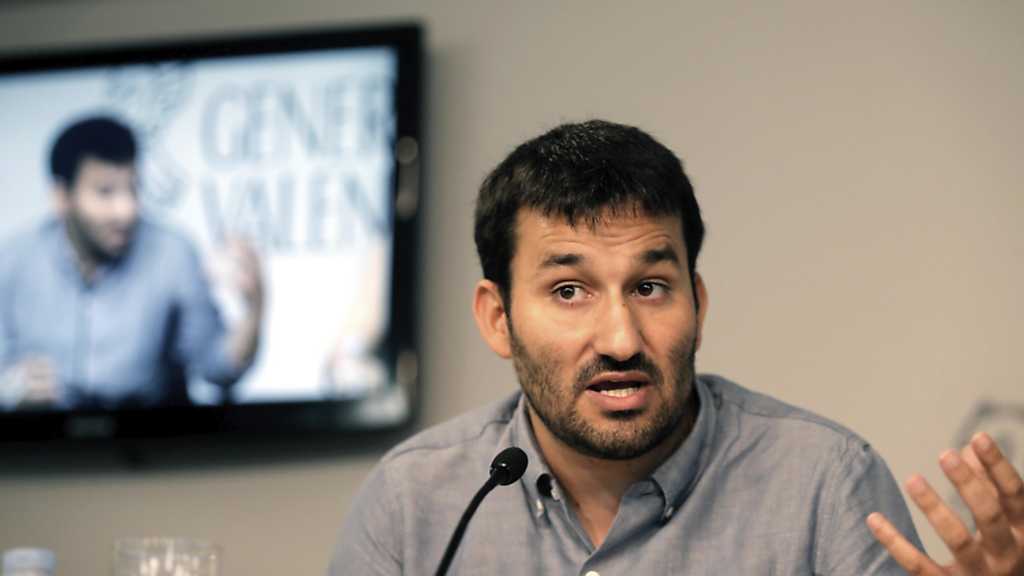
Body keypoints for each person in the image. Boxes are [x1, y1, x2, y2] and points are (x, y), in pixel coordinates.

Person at [330, 120, 1024, 574]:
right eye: (569, 291)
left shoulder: (825, 483)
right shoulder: (413, 504)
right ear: (497, 318)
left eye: (651, 287)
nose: (621, 339)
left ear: (699, 303)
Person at [0, 115, 263, 410]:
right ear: (62, 197)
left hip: (152, 435)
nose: (126, 210)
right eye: (105, 192)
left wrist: (254, 310)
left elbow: (218, 370)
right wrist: (8, 390)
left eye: (133, 189)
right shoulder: (12, 261)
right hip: (48, 437)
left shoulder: (173, 253)